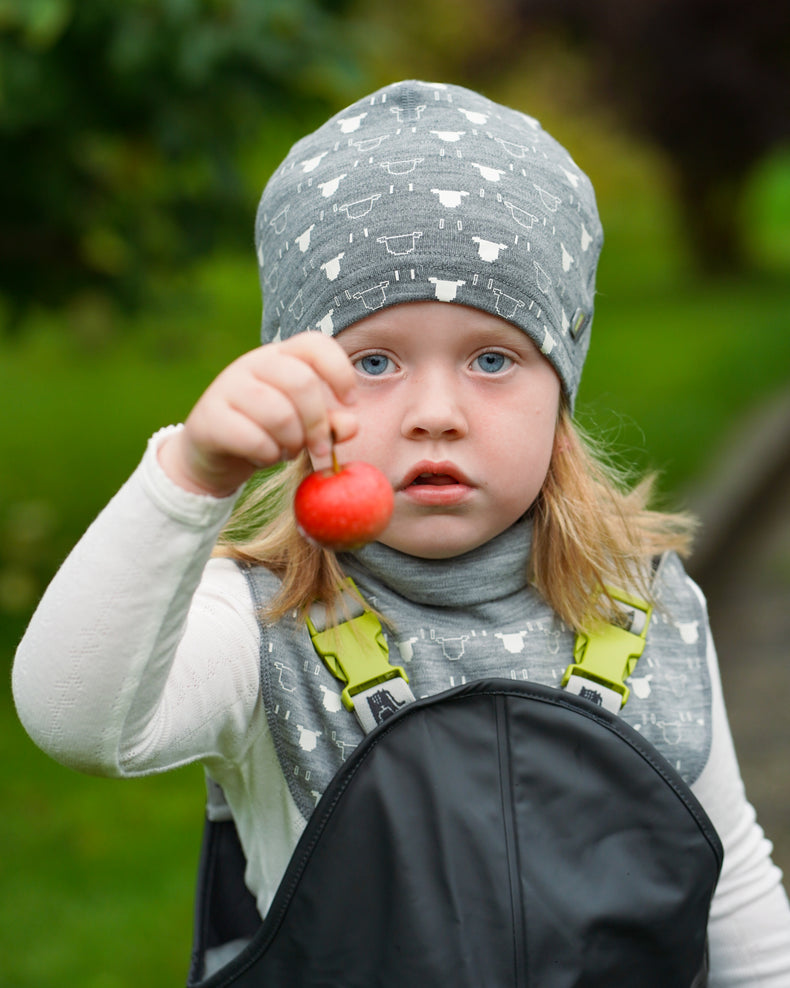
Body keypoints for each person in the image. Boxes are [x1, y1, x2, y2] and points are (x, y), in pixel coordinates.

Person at [12, 80, 790, 985]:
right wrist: (194, 475)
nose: (435, 413)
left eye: (493, 358)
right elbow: (75, 720)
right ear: (297, 384)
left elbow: (728, 882)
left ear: (562, 390)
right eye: (373, 361)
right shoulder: (265, 627)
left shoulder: (641, 602)